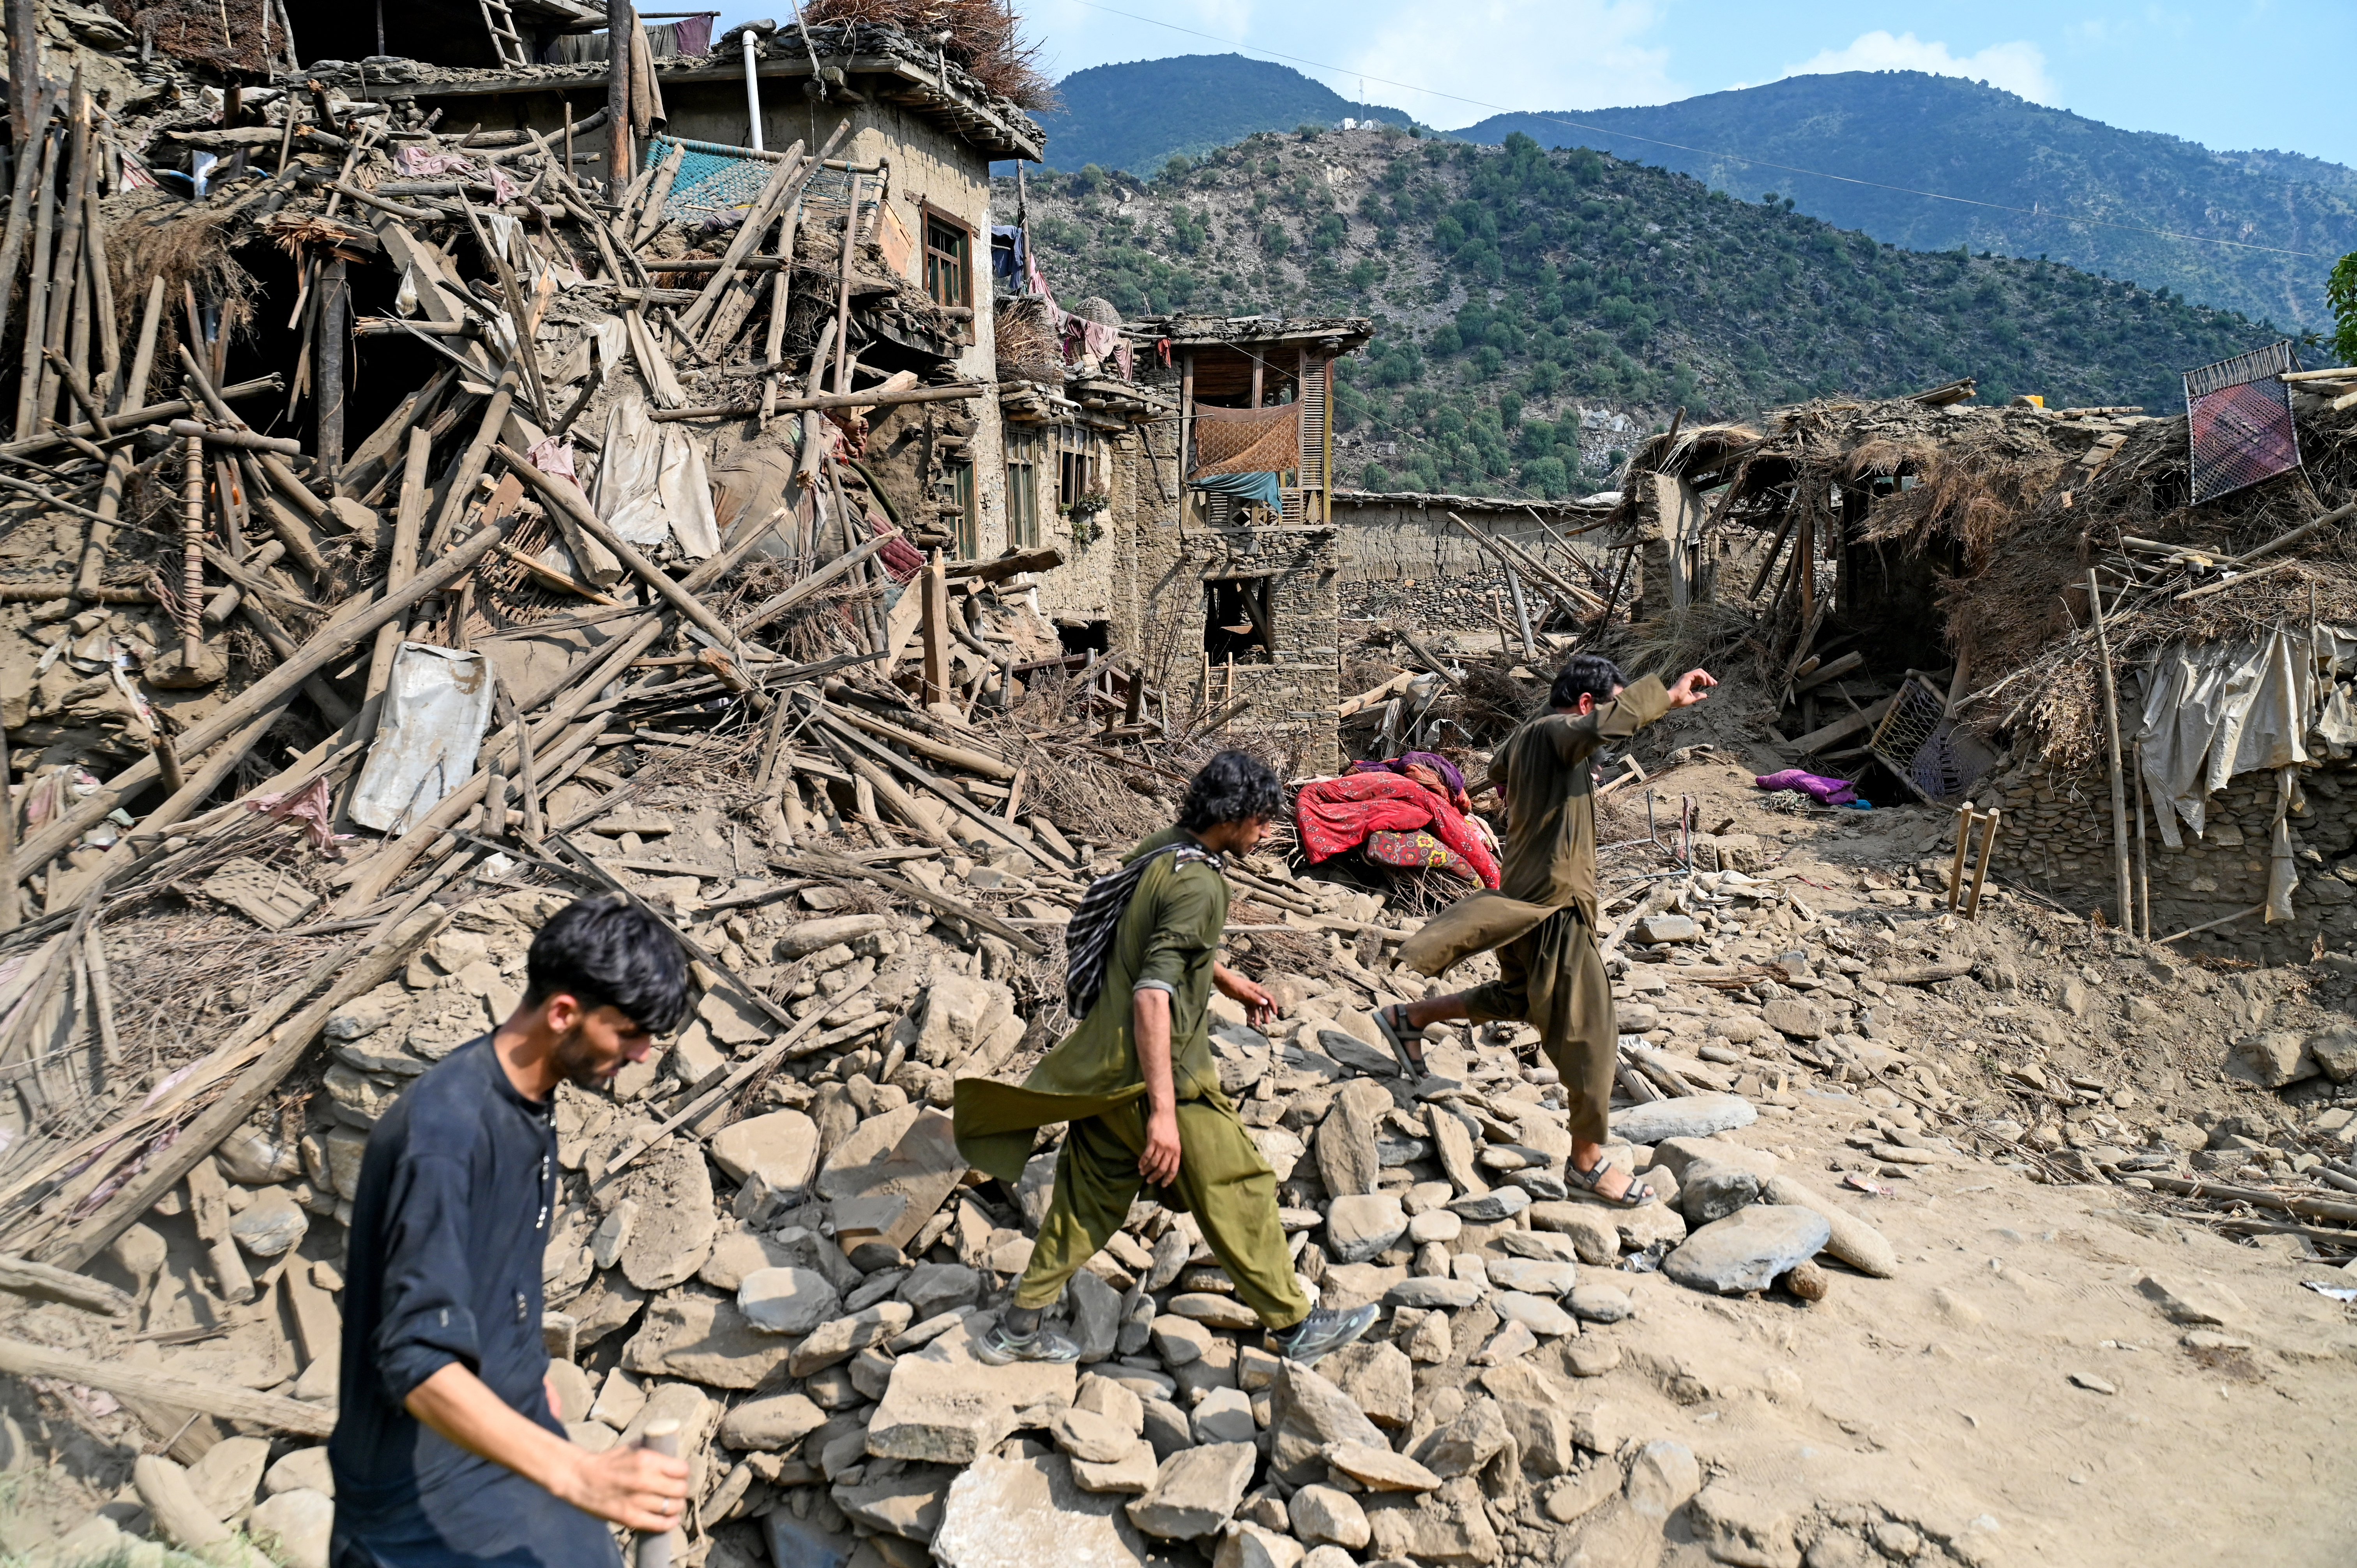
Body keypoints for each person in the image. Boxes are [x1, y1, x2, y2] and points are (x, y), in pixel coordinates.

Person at [954, 750, 1378, 1366]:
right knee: (1240, 1184)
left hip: (1101, 1070)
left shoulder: (1166, 849)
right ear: (1231, 817)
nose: (1268, 829)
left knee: (1086, 1201)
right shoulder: (1203, 884)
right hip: (1162, 1075)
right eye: (1261, 818)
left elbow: (1156, 941)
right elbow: (1154, 995)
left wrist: (1228, 981)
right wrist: (1163, 1114)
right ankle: (1295, 1326)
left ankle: (1015, 1329)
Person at [330, 894, 696, 1568]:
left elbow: (492, 1279)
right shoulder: (444, 1134)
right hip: (418, 1493)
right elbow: (419, 1363)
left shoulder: (527, 1098)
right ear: (564, 1013)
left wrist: (529, 1376)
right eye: (629, 1034)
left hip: (507, 1438)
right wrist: (577, 1472)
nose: (644, 1056)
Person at [1382, 655, 1717, 1207]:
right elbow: (1600, 727)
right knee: (1593, 1034)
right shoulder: (1557, 733)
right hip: (1553, 908)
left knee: (1522, 999)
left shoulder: (1528, 740)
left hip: (1524, 901)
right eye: (1605, 706)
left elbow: (1500, 771)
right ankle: (1587, 1163)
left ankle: (1410, 1018)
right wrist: (1668, 695)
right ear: (1585, 706)